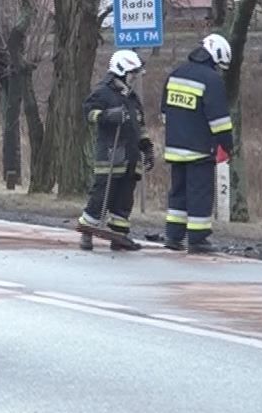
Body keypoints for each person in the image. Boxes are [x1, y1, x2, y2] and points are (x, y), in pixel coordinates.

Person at [161, 33, 235, 253]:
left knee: (178, 193)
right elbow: (219, 120)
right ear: (215, 58)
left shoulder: (175, 74)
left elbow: (164, 112)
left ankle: (173, 236)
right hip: (199, 149)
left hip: (174, 147)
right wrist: (227, 145)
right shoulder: (212, 80)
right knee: (200, 193)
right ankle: (198, 239)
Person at [79, 50, 150, 252]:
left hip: (130, 157)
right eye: (132, 74)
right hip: (110, 155)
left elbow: (139, 124)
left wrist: (147, 146)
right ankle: (87, 231)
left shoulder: (132, 97)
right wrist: (107, 116)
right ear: (121, 72)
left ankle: (119, 236)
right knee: (102, 195)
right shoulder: (102, 92)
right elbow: (89, 112)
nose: (134, 78)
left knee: (124, 198)